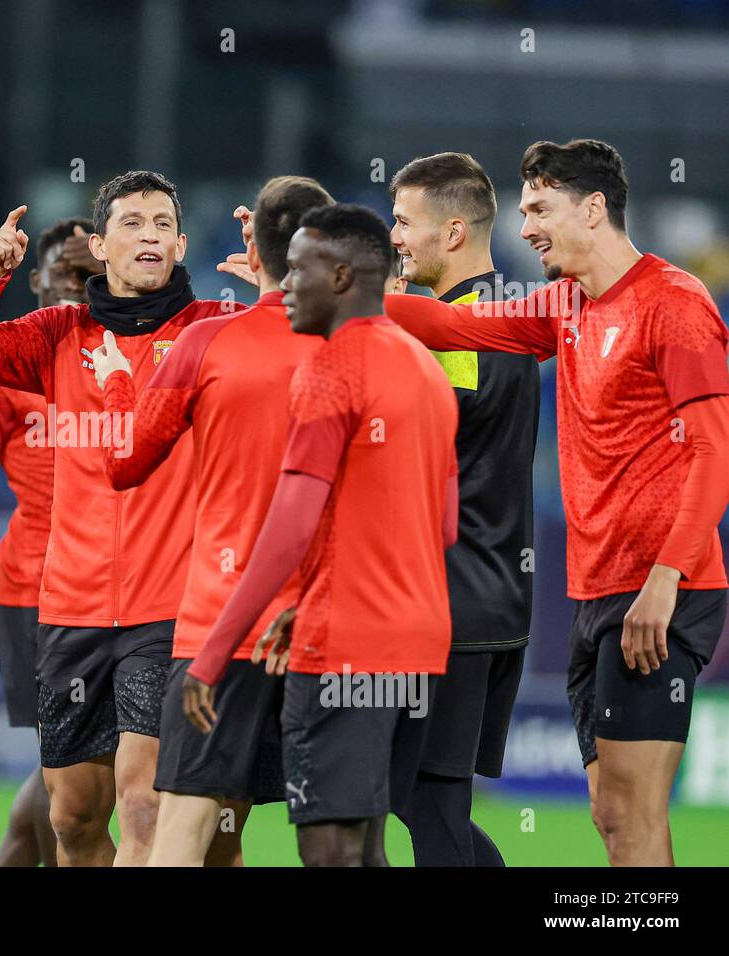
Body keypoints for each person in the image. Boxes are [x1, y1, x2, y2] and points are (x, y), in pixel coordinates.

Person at [383, 139, 729, 866]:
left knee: (634, 816)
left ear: (594, 208)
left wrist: (666, 580)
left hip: (660, 590)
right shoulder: (567, 304)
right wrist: (338, 290)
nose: (526, 225)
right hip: (594, 591)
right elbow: (454, 325)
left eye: (540, 208)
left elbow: (713, 451)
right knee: (609, 815)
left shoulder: (675, 304)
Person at [0, 171, 233, 866]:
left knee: (144, 803)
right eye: (133, 223)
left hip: (167, 610)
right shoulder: (57, 333)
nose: (150, 235)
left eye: (163, 223)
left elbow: (294, 348)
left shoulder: (210, 333)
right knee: (73, 819)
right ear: (101, 246)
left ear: (182, 243)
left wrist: (275, 293)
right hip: (69, 609)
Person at [184, 204, 459, 867]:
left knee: (329, 849)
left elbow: (291, 524)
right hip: (418, 645)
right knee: (366, 846)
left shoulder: (331, 368)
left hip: (344, 646)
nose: (284, 285)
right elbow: (444, 526)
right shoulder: (425, 368)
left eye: (299, 269)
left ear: (340, 277)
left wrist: (213, 652)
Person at [87, 176, 333, 866]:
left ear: (254, 243)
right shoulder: (369, 346)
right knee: (343, 839)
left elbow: (123, 461)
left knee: (185, 831)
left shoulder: (204, 343)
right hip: (327, 627)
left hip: (220, 630)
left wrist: (113, 380)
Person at [387, 152, 539, 866]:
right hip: (488, 594)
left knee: (427, 799)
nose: (394, 239)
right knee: (419, 796)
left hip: (456, 601)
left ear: (451, 234)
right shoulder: (495, 320)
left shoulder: (460, 337)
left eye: (402, 223)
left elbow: (408, 449)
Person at [0, 217, 100, 867]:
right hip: (33, 593)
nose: (78, 289)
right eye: (66, 273)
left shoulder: (115, 363)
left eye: (92, 279)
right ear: (36, 279)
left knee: (71, 772)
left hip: (107, 590)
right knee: (69, 771)